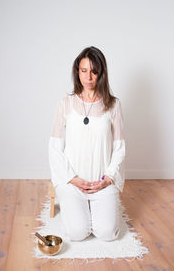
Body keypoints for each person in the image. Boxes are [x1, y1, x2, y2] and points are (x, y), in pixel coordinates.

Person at [48, 46, 125, 242]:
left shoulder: (113, 105)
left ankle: (99, 206)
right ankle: (79, 207)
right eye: (84, 71)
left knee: (108, 234)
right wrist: (72, 179)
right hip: (73, 182)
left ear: (101, 73)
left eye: (94, 71)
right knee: (77, 233)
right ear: (77, 72)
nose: (88, 77)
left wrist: (108, 179)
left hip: (102, 181)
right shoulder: (65, 103)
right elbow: (55, 148)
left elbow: (119, 149)